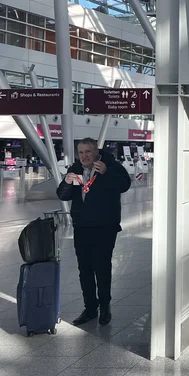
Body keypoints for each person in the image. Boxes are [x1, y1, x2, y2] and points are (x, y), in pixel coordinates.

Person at [57, 138, 131, 326]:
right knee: (85, 269)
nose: (84, 156)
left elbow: (124, 185)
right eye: (81, 153)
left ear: (96, 152)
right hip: (82, 227)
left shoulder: (111, 166)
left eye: (88, 152)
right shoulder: (75, 170)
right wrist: (66, 182)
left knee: (102, 267)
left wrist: (106, 173)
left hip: (105, 227)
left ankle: (105, 307)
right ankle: (90, 308)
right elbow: (63, 195)